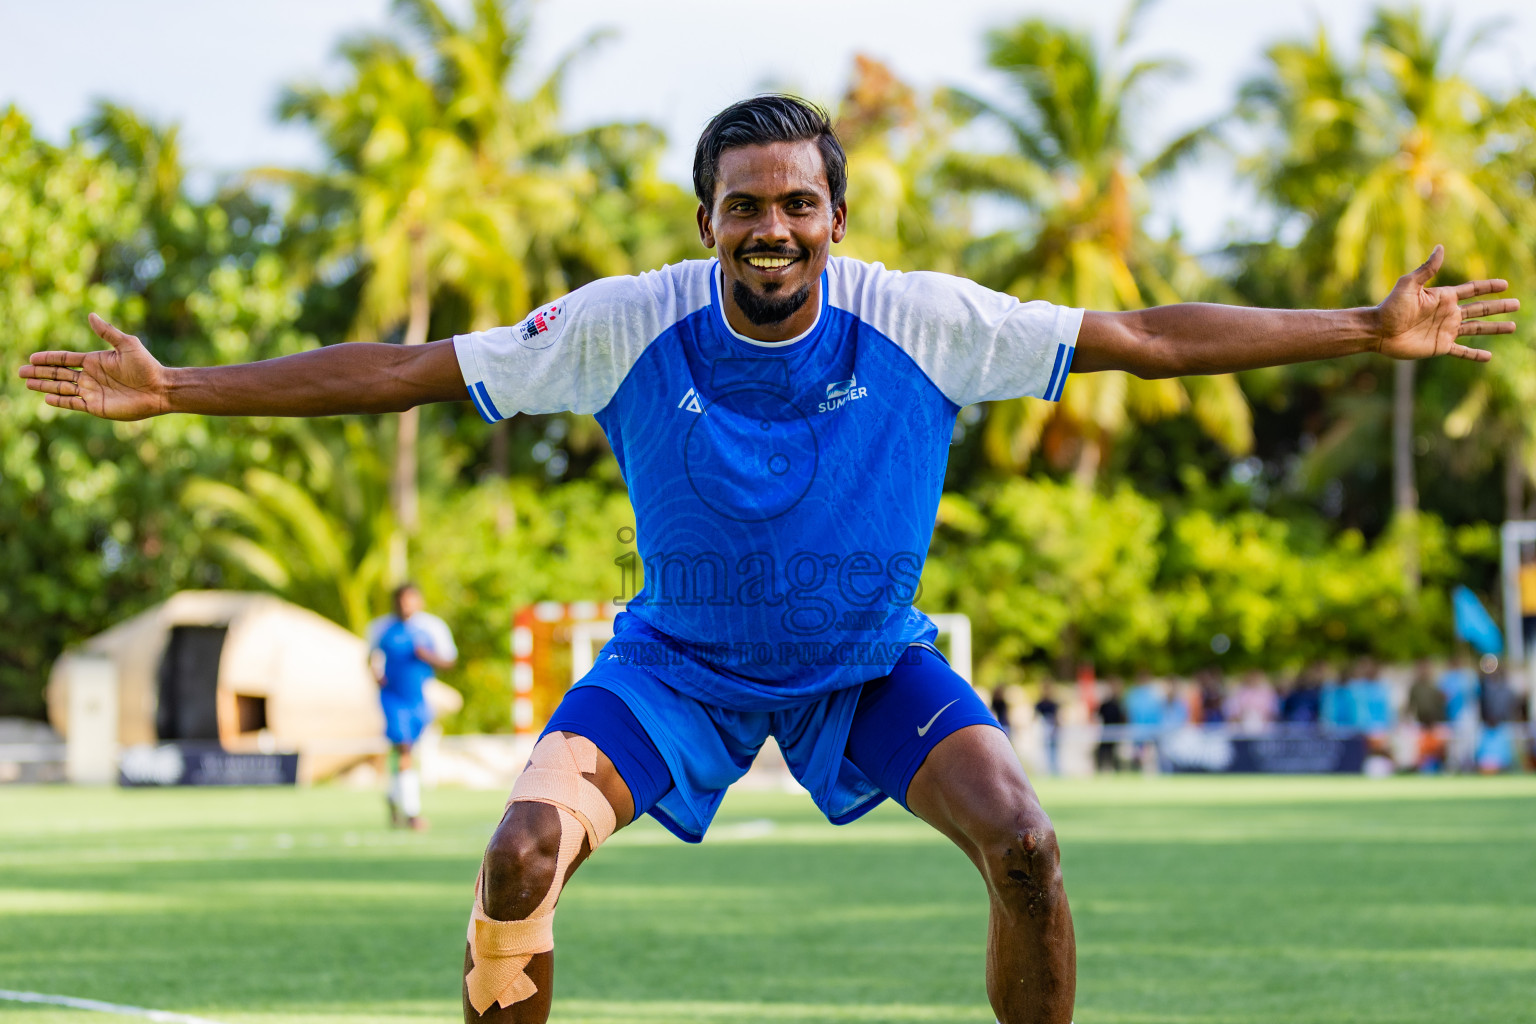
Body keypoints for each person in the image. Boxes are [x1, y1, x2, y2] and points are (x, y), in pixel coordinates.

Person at [15, 94, 1516, 1024]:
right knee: (518, 852)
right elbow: (403, 369)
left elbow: (1141, 339)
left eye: (799, 203)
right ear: (708, 219)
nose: (774, 228)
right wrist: (183, 388)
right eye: (746, 206)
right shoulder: (623, 319)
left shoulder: (923, 314)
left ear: (835, 215)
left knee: (1032, 848)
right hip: (676, 674)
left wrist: (1360, 332)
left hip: (871, 668)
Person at [366, 582, 458, 830]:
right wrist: (376, 675)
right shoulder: (381, 627)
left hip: (419, 697)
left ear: (419, 602)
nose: (406, 605)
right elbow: (369, 655)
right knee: (404, 747)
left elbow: (449, 660)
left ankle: (394, 796)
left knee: (410, 749)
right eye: (401, 600)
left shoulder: (431, 627)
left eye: (411, 600)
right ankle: (412, 813)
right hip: (392, 698)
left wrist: (427, 655)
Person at [1404, 658, 1448, 772]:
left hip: (1434, 723)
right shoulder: (1415, 687)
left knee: (1439, 748)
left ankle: (1442, 768)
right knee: (1420, 751)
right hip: (1421, 724)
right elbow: (1410, 705)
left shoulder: (1435, 686)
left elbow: (1441, 704)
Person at [1095, 678, 1127, 773]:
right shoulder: (1105, 704)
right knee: (1103, 752)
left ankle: (1118, 771)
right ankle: (1100, 770)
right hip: (1106, 732)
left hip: (1117, 733)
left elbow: (1124, 718)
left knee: (1116, 754)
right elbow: (1098, 716)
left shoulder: (1121, 703)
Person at [1034, 681, 1062, 776]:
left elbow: (1057, 717)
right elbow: (1035, 718)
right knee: (1043, 750)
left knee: (1054, 751)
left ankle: (1054, 770)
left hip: (1052, 728)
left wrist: (1055, 727)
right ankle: (1045, 770)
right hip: (1043, 729)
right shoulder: (1040, 704)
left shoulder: (1053, 704)